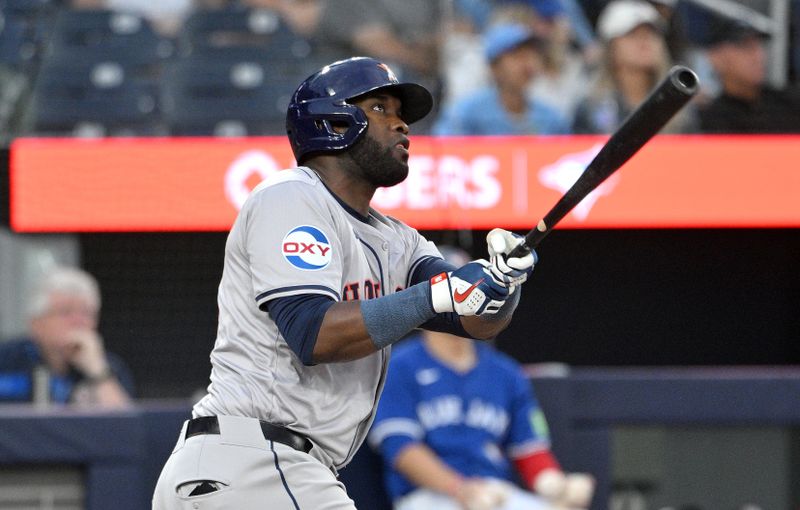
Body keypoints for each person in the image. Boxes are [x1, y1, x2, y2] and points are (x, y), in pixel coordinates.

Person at [152, 56, 537, 510]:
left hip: (255, 469)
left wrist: (503, 283)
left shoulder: (399, 240)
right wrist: (441, 293)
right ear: (333, 122)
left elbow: (473, 321)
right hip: (255, 461)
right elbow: (312, 334)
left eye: (401, 114)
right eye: (381, 109)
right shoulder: (292, 196)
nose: (401, 126)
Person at [368, 247, 594, 510]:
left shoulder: (505, 372)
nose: (459, 298)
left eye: (467, 287)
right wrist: (461, 489)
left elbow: (529, 448)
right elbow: (402, 450)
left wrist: (556, 486)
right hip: (429, 496)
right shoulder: (401, 365)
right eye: (449, 288)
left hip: (495, 493)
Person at [0, 267, 134, 407]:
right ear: (36, 323)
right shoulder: (6, 360)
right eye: (65, 312)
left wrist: (97, 372)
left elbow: (124, 425)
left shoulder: (109, 368)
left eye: (87, 313)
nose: (78, 322)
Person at [571, 0, 696, 134]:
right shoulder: (592, 108)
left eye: (652, 34)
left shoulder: (678, 108)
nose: (645, 42)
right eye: (632, 35)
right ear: (611, 48)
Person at [434, 21, 570, 136]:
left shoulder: (551, 118)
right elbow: (444, 154)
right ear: (494, 67)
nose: (527, 64)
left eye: (531, 55)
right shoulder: (466, 113)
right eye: (517, 56)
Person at [698, 16, 800, 133]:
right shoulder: (711, 121)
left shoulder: (790, 102)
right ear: (717, 57)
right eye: (746, 47)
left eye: (759, 46)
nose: (758, 56)